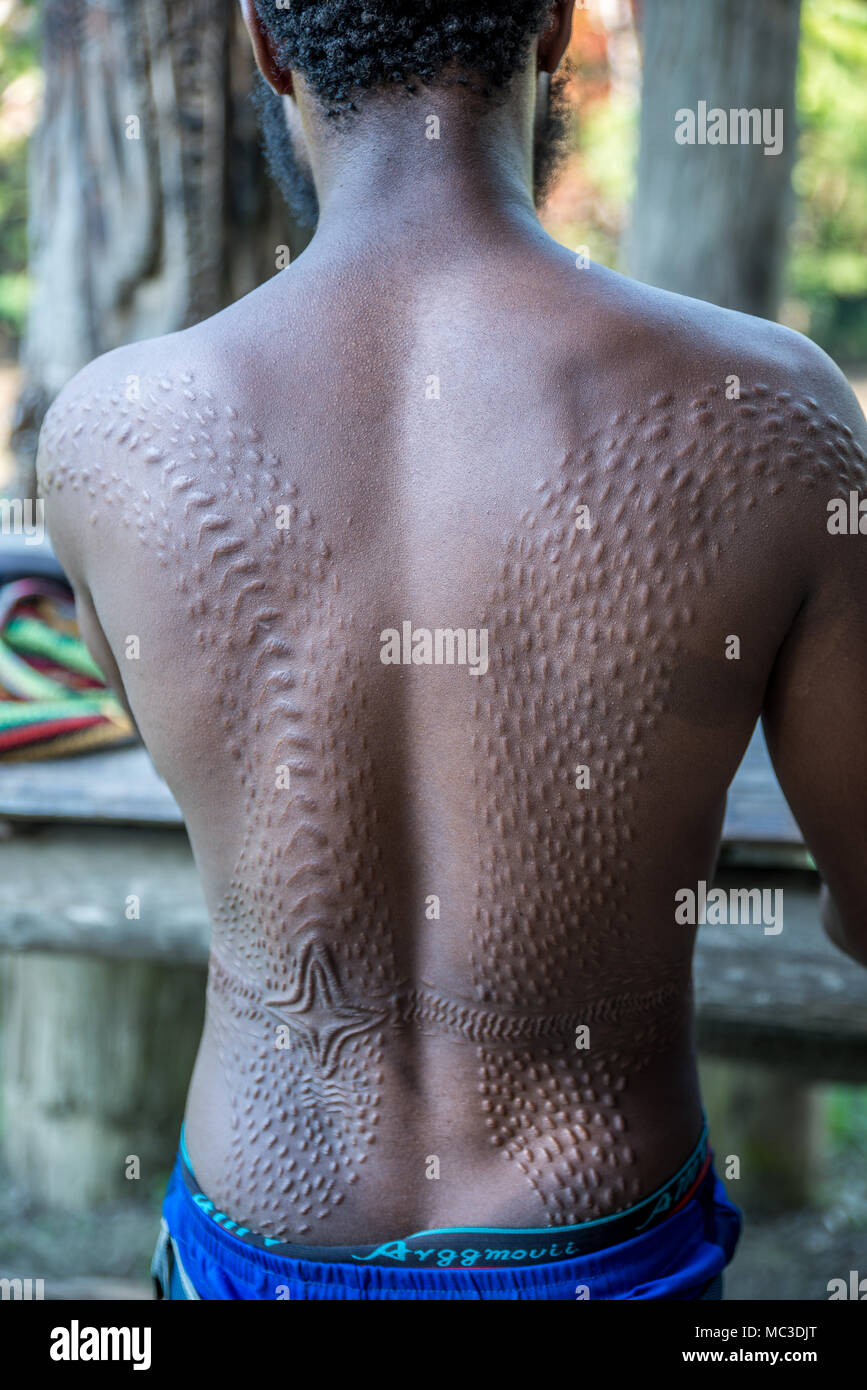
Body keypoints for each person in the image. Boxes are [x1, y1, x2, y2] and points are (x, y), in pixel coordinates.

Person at [37, 0, 867, 1300]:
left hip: (258, 1235)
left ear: (265, 40)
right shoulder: (773, 413)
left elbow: (192, 749)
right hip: (601, 1241)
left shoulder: (111, 436)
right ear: (554, 27)